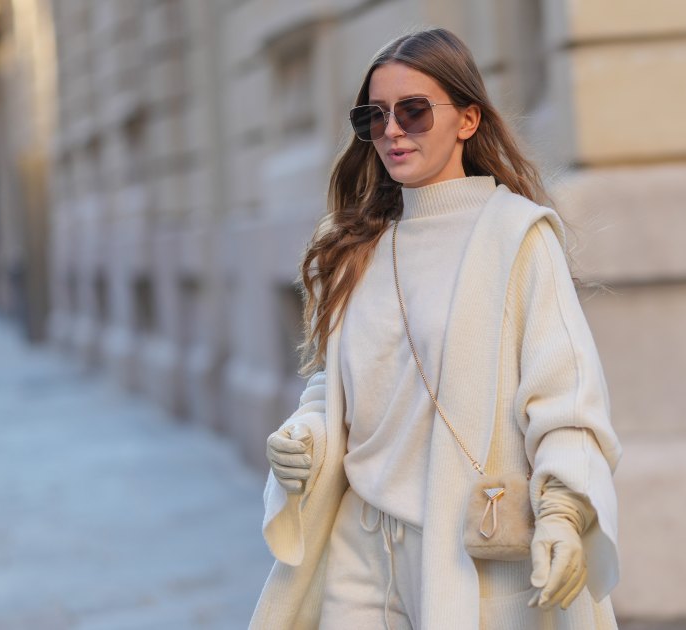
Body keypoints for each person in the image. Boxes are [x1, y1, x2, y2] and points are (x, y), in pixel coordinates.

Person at [250, 27, 622, 630]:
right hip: (357, 550)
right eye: (375, 116)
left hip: (468, 554)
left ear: (468, 119)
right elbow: (337, 388)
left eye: (414, 111)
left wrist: (562, 510)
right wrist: (304, 437)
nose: (392, 130)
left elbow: (565, 396)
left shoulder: (517, 236)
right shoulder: (352, 246)